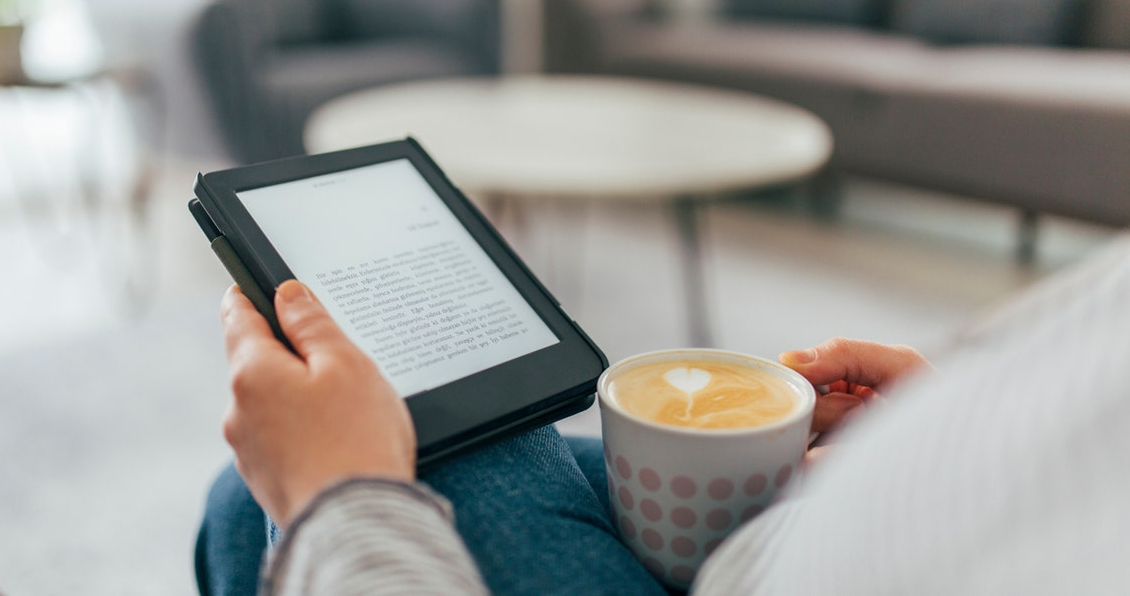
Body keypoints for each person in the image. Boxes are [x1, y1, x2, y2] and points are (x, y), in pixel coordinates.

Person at [198, 251, 1130, 595]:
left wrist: (342, 503)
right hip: (799, 524)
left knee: (301, 470)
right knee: (243, 501)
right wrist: (954, 428)